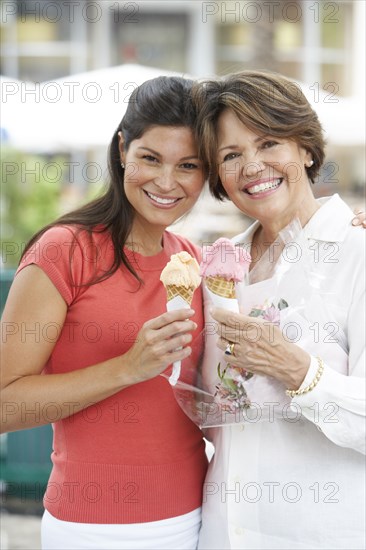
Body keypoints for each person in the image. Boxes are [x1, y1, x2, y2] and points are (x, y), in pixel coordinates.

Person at [0, 76, 209, 550]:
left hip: (199, 518)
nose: (166, 181)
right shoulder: (64, 250)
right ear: (121, 150)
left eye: (188, 165)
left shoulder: (194, 261)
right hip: (94, 528)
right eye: (150, 158)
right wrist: (126, 368)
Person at [192, 71, 365, 549]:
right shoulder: (219, 268)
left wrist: (299, 371)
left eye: (268, 143)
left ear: (306, 148)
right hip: (225, 531)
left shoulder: (357, 252)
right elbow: (216, 413)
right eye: (231, 155)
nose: (252, 166)